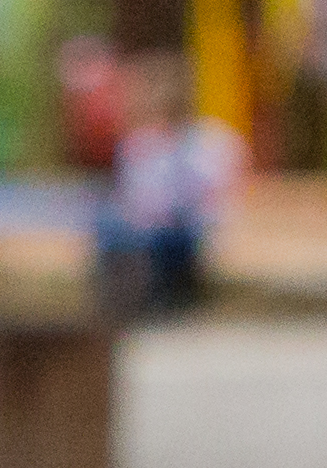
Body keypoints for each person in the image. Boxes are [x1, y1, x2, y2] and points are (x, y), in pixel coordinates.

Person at [93, 50, 238, 319]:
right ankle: (122, 298)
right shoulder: (139, 144)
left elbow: (211, 193)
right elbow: (132, 195)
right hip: (151, 224)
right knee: (108, 223)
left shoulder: (207, 140)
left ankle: (169, 291)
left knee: (162, 231)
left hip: (184, 226)